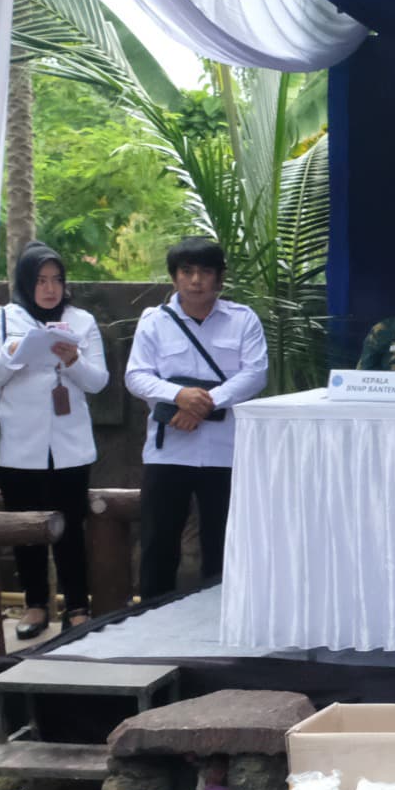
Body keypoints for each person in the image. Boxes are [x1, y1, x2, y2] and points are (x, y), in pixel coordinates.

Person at [126, 237, 268, 602]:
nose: (195, 280)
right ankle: (152, 617)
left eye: (205, 272)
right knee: (159, 542)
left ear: (220, 278)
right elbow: (136, 376)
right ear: (174, 277)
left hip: (226, 450)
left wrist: (205, 402)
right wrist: (179, 396)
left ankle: (221, 617)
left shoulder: (243, 320)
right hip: (169, 450)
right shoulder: (154, 321)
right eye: (186, 271)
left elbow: (256, 373)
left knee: (224, 542)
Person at [0, 242, 108, 637]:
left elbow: (98, 381)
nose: (50, 289)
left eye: (56, 280)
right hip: (17, 444)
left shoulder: (81, 321)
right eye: (40, 281)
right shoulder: (2, 319)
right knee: (25, 528)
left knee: (70, 527)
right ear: (25, 283)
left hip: (68, 443)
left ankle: (77, 606)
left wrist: (72, 360)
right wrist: (15, 353)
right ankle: (35, 605)